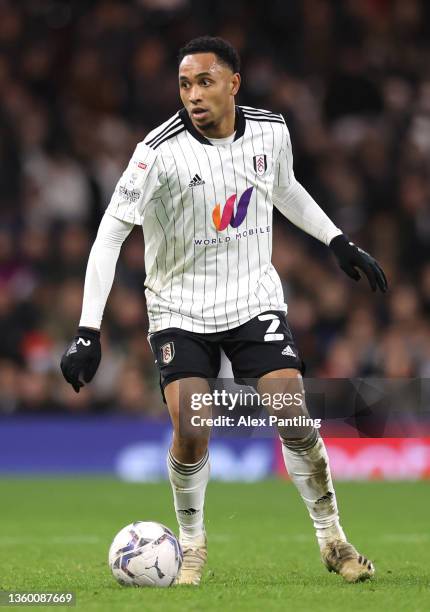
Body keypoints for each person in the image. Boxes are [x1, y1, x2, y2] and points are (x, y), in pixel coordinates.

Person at [61, 36, 387, 586]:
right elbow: (109, 235)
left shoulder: (270, 131)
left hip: (252, 298)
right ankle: (191, 546)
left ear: (233, 84)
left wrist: (337, 241)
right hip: (179, 307)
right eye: (185, 84)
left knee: (293, 414)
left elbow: (285, 189)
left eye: (205, 82)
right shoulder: (156, 153)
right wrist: (88, 330)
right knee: (192, 427)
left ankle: (333, 540)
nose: (193, 94)